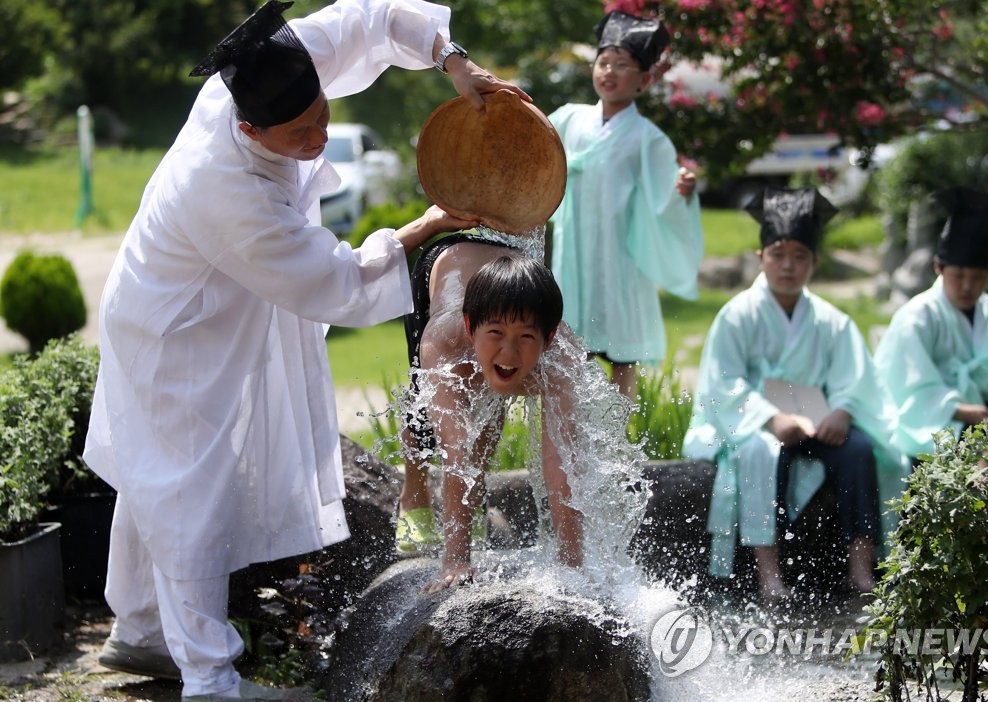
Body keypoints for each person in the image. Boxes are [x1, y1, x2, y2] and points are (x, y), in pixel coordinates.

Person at [82, 1, 528, 699]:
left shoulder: (262, 69)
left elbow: (369, 17)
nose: (321, 135)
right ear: (247, 127)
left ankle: (141, 632)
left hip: (204, 305)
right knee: (185, 490)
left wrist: (454, 60)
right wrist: (427, 225)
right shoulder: (222, 185)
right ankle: (208, 679)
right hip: (174, 330)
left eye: (323, 115)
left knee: (156, 476)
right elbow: (336, 281)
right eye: (301, 132)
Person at [682, 187, 908, 605]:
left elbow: (853, 378)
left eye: (800, 255)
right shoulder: (736, 315)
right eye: (779, 253)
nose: (788, 265)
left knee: (859, 449)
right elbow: (723, 382)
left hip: (817, 420)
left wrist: (842, 411)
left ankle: (861, 569)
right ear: (760, 257)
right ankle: (771, 575)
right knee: (760, 453)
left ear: (814, 262)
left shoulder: (832, 321)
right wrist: (770, 418)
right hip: (764, 424)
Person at [393, 233, 587, 592]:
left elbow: (564, 461)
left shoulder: (562, 360)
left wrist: (572, 564)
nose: (510, 352)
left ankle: (475, 494)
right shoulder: (445, 342)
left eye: (527, 338)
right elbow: (456, 448)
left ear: (549, 338)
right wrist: (456, 560)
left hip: (507, 262)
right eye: (496, 334)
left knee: (494, 392)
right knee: (428, 413)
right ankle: (413, 493)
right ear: (471, 328)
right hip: (444, 264)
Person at [547, 10, 704, 399]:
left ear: (645, 80)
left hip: (619, 259)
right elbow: (535, 151)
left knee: (622, 358)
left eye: (622, 65)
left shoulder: (648, 139)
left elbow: (664, 199)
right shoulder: (569, 119)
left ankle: (618, 441)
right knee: (570, 352)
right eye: (603, 62)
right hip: (573, 254)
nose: (609, 72)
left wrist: (681, 190)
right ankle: (572, 443)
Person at [874, 186, 988, 461]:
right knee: (977, 446)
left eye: (978, 277)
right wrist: (961, 410)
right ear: (938, 268)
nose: (967, 286)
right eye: (958, 275)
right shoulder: (916, 316)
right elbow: (907, 389)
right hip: (941, 420)